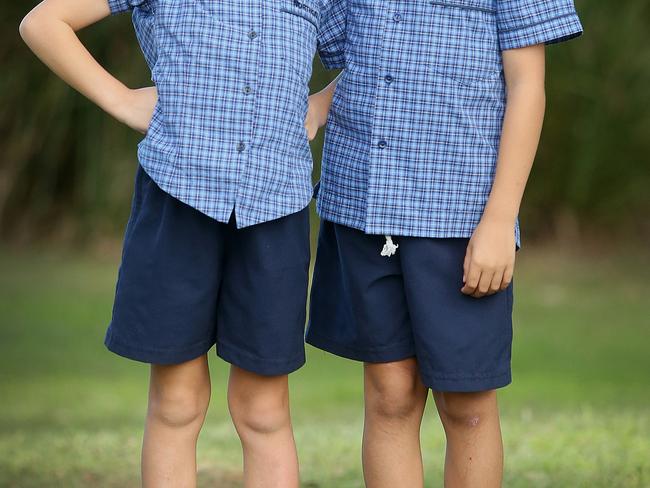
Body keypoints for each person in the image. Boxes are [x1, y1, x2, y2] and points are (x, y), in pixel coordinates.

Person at [19, 0, 345, 486]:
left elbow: (377, 51)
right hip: (177, 192)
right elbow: (43, 22)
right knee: (176, 401)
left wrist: (319, 106)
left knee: (264, 409)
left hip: (276, 205)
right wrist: (121, 98)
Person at [304, 1, 583, 486]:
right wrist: (319, 103)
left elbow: (527, 87)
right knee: (389, 395)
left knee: (468, 404)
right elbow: (344, 48)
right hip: (365, 200)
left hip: (461, 212)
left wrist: (500, 218)